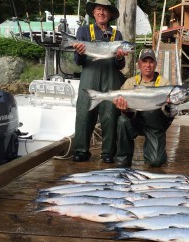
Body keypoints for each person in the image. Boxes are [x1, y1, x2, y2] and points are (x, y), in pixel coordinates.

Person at [72, 0, 128, 163]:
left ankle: (108, 152)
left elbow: (121, 65)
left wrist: (119, 57)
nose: (102, 12)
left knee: (110, 114)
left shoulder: (117, 35)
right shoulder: (83, 31)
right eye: (98, 9)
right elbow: (78, 61)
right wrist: (81, 53)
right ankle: (81, 150)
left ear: (110, 15)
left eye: (105, 10)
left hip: (111, 77)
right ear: (94, 13)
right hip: (89, 76)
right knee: (84, 113)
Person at [112, 49, 175, 167]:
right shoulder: (130, 82)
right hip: (134, 121)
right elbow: (124, 110)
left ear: (155, 64)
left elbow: (170, 114)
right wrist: (124, 109)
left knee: (156, 161)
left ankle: (158, 151)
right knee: (122, 121)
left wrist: (169, 106)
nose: (148, 65)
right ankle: (123, 158)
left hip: (155, 125)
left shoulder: (165, 84)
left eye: (151, 62)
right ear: (139, 64)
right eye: (144, 61)